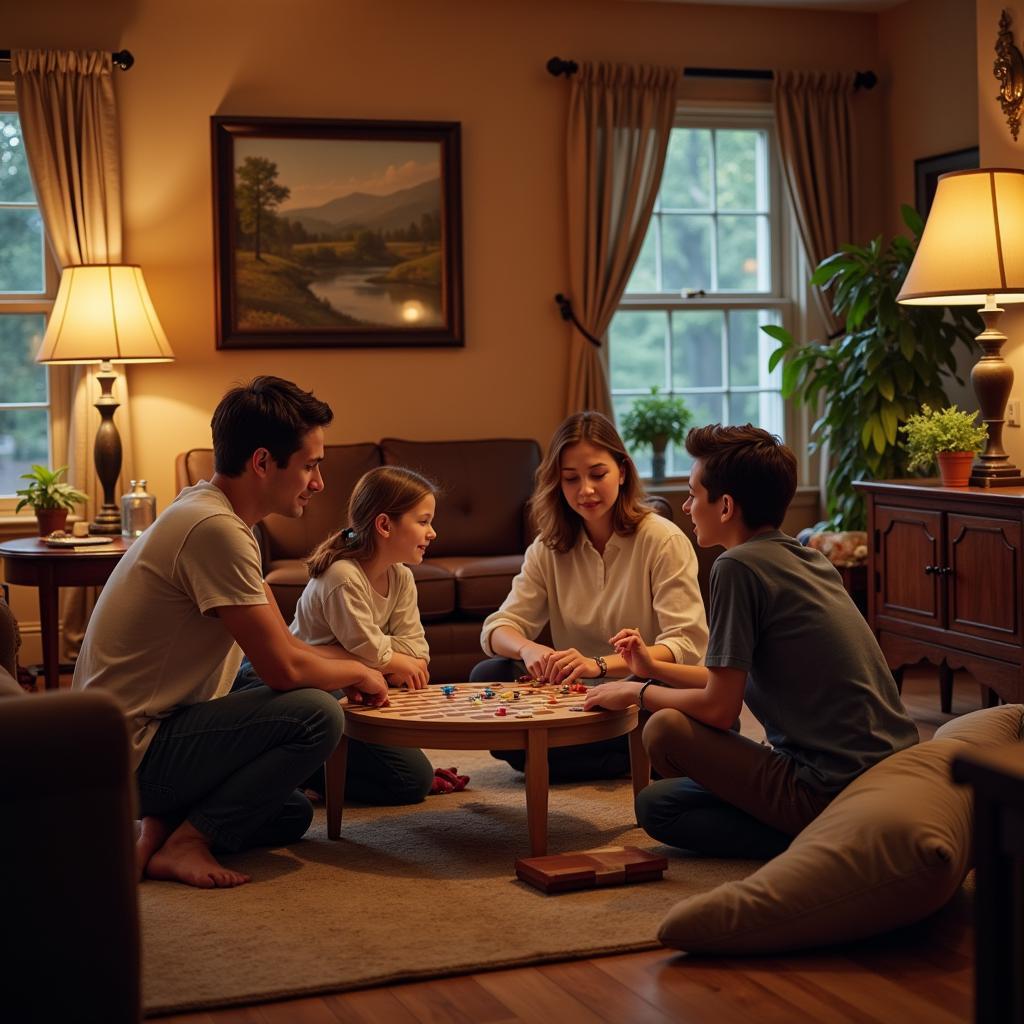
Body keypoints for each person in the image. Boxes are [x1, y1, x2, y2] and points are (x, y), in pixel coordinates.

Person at [73, 376, 389, 890]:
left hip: (137, 732)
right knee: (316, 713)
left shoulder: (212, 510)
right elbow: (283, 669)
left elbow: (283, 644)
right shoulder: (215, 531)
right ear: (263, 462)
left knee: (288, 814)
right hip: (130, 752)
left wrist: (356, 667)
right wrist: (358, 669)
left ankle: (158, 826)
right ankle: (185, 841)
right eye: (310, 466)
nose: (319, 483)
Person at [584, 423, 919, 859]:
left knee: (662, 757)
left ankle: (826, 840)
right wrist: (652, 668)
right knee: (661, 800)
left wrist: (635, 691)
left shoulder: (736, 567)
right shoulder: (806, 557)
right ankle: (827, 830)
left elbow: (720, 710)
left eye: (692, 494)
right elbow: (728, 674)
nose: (686, 507)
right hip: (888, 774)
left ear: (724, 506)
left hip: (827, 786)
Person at [474, 410, 708, 781]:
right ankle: (634, 757)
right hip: (579, 697)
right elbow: (498, 627)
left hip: (639, 688)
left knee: (665, 702)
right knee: (488, 673)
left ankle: (581, 757)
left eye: (597, 474)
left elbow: (687, 643)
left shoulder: (662, 539)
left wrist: (598, 664)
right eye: (571, 479)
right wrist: (530, 650)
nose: (585, 490)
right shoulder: (548, 547)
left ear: (622, 471)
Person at [233, 465, 446, 803]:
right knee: (411, 780)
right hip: (289, 683)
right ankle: (291, 764)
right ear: (384, 525)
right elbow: (373, 653)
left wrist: (376, 655)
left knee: (412, 779)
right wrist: (385, 658)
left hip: (343, 679)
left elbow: (415, 652)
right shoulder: (342, 577)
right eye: (423, 521)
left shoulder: (401, 577)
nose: (432, 532)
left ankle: (309, 770)